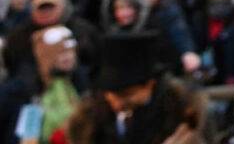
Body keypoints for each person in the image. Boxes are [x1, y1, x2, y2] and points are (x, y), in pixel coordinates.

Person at [66, 31, 207, 144]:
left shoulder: (181, 112)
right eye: (109, 94)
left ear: (149, 85)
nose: (116, 102)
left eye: (126, 94)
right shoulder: (89, 120)